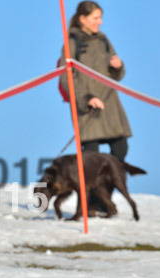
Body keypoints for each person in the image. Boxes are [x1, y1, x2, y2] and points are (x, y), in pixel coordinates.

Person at [59, 1, 132, 162]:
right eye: (96, 18)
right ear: (83, 19)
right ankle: (91, 186)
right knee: (91, 157)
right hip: (87, 107)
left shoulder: (103, 41)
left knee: (121, 149)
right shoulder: (71, 43)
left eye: (101, 18)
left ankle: (105, 186)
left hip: (109, 104)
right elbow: (66, 77)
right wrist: (87, 98)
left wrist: (117, 67)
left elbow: (117, 76)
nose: (101, 22)